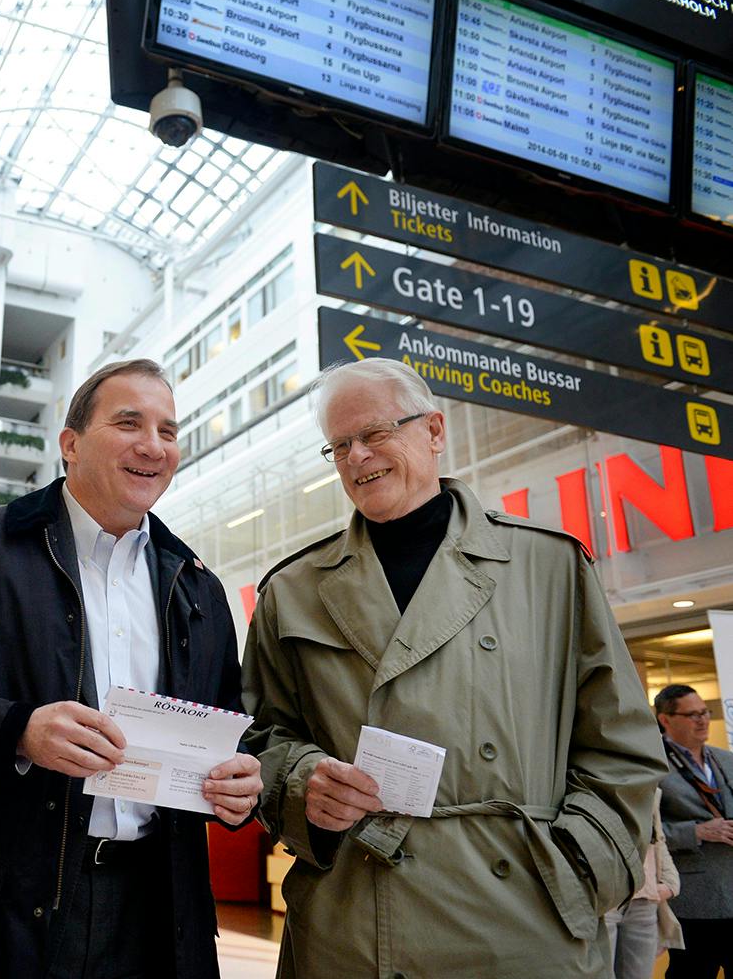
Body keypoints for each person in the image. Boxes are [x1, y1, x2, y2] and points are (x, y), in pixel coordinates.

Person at [240, 357, 666, 978]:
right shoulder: (293, 588)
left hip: (525, 919)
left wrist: (582, 866)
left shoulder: (548, 566)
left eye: (376, 433)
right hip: (356, 922)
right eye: (340, 445)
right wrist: (305, 782)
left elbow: (621, 743)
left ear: (434, 431)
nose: (358, 456)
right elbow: (259, 736)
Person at [0, 359, 261, 978]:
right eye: (129, 423)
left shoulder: (198, 589)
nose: (153, 446)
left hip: (155, 917)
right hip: (0, 909)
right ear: (70, 444)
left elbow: (227, 740)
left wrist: (236, 791)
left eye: (168, 431)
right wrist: (17, 729)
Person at [655, 684, 733, 979]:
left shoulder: (725, 759)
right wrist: (697, 831)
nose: (702, 721)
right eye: (692, 715)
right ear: (666, 720)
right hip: (693, 903)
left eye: (705, 713)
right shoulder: (653, 768)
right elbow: (643, 833)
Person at [603, 787, 682, 978]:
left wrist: (671, 882)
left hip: (645, 900)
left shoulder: (651, 789)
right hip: (604, 901)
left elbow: (657, 838)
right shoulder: (589, 778)